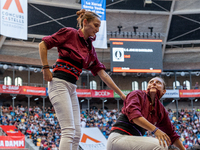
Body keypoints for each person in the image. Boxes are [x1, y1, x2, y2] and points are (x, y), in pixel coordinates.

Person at [39, 9, 126, 150]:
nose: (98, 30)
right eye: (96, 25)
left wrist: (121, 94)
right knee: (68, 131)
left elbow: (103, 74)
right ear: (85, 22)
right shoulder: (70, 33)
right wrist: (45, 68)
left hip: (71, 87)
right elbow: (42, 44)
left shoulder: (89, 48)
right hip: (59, 82)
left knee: (77, 133)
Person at [107, 77, 185, 150]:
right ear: (147, 87)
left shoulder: (161, 110)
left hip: (133, 143)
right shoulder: (137, 94)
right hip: (118, 138)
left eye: (158, 82)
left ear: (164, 91)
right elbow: (135, 117)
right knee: (161, 146)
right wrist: (156, 130)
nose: (154, 83)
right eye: (151, 82)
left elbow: (172, 135)